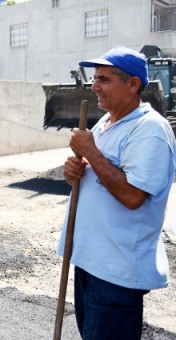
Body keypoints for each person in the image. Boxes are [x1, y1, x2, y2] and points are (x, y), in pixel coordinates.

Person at [59, 46, 175, 339]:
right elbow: (98, 173)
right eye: (95, 78)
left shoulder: (151, 130)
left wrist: (90, 152)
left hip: (117, 271)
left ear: (133, 84)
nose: (94, 86)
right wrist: (76, 170)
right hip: (91, 261)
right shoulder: (106, 123)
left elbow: (133, 196)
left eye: (104, 79)